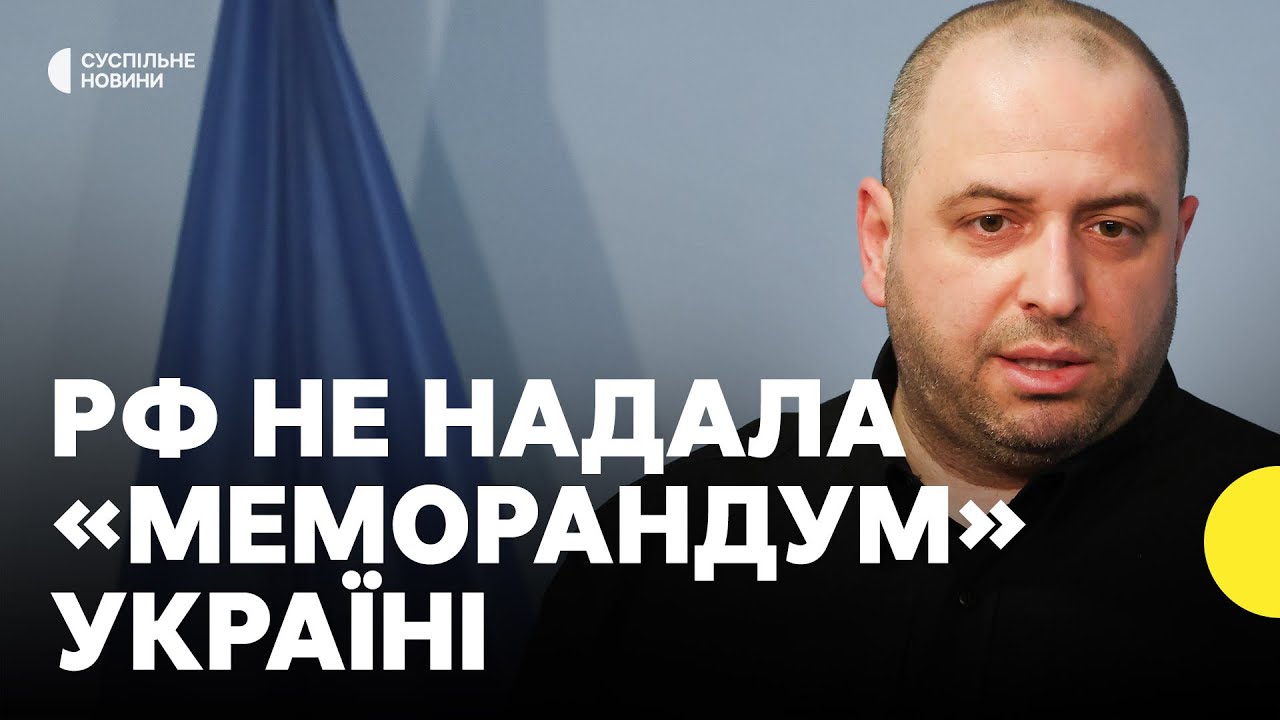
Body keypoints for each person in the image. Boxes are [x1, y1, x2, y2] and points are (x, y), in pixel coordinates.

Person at [514, 0, 1280, 708]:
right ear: (879, 243)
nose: (1056, 292)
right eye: (991, 222)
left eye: (1111, 228)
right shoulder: (658, 549)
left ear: (1175, 245)